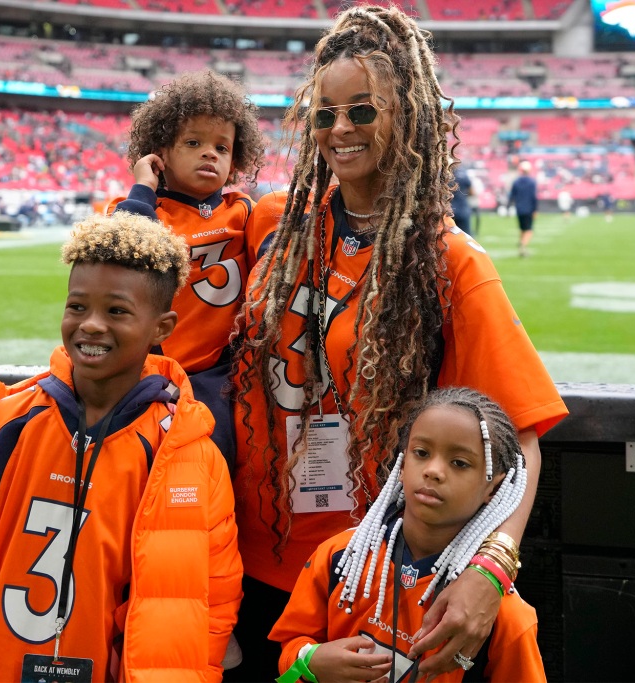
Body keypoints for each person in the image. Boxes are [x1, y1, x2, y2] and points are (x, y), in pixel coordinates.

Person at [227, 6, 568, 681]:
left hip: (362, 577)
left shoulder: (451, 263)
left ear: (407, 115)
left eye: (362, 110)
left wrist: (491, 570)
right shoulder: (271, 225)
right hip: (243, 561)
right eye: (323, 115)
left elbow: (519, 440)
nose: (339, 129)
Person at [0, 211, 243, 682]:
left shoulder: (188, 453)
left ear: (162, 328)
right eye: (77, 307)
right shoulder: (6, 421)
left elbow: (209, 603)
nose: (91, 325)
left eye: (117, 311)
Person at [270, 388, 545, 682]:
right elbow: (289, 657)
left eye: (459, 463)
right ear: (401, 466)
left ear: (493, 487)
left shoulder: (504, 614)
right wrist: (309, 663)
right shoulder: (340, 557)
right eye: (422, 453)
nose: (434, 470)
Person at [111, 69, 266, 468]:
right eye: (193, 142)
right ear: (161, 153)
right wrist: (143, 186)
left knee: (214, 463)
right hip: (150, 370)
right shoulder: (142, 210)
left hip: (219, 373)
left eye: (222, 147)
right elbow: (119, 257)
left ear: (235, 160)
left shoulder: (243, 211)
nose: (210, 153)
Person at [508, 161, 538, 257]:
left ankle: (521, 242)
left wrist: (508, 207)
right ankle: (523, 245)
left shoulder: (516, 181)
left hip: (519, 209)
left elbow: (511, 196)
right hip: (529, 209)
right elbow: (534, 197)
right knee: (528, 229)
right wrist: (535, 210)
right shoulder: (532, 182)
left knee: (522, 229)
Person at [450, 162, 475, 235]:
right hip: (462, 210)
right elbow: (472, 192)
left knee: (447, 238)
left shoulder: (443, 175)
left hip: (448, 210)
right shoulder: (464, 174)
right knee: (465, 236)